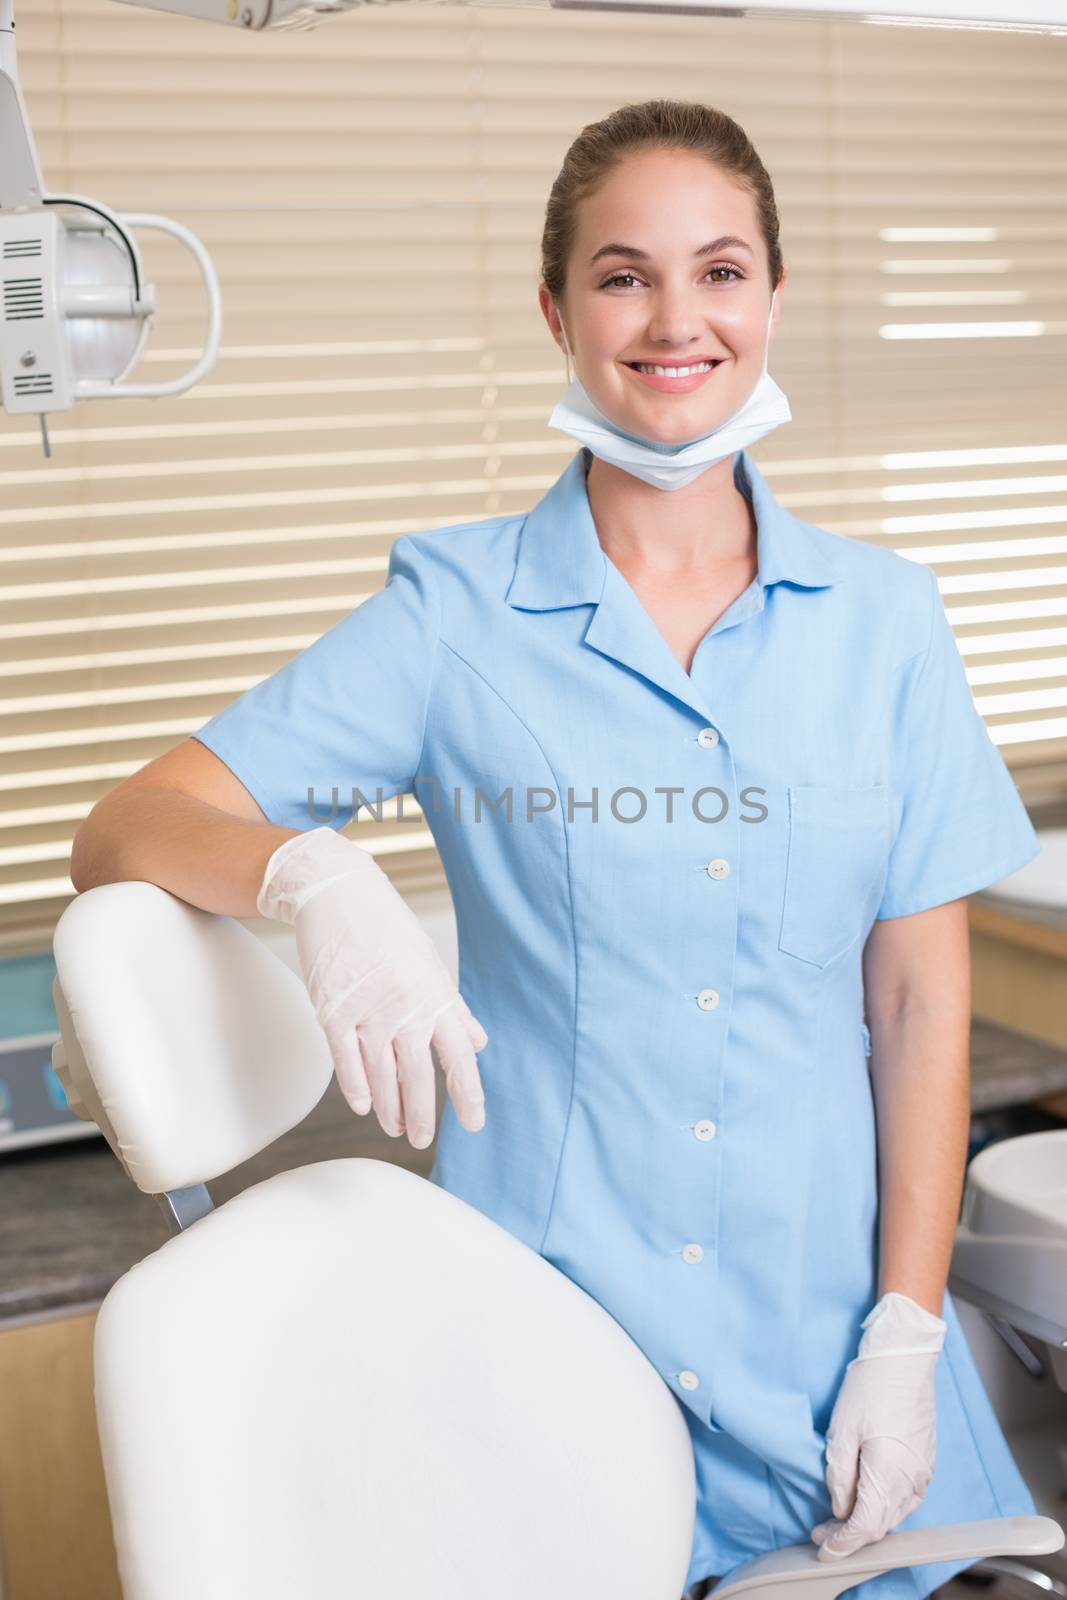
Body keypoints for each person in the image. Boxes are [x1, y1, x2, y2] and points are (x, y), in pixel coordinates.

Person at [72, 99, 1042, 1600]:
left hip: (833, 1357)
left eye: (720, 272)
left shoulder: (887, 626)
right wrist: (308, 877)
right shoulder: (454, 618)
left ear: (774, 298)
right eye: (621, 274)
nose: (676, 320)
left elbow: (917, 1010)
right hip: (552, 1359)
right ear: (555, 309)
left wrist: (906, 1334)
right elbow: (128, 826)